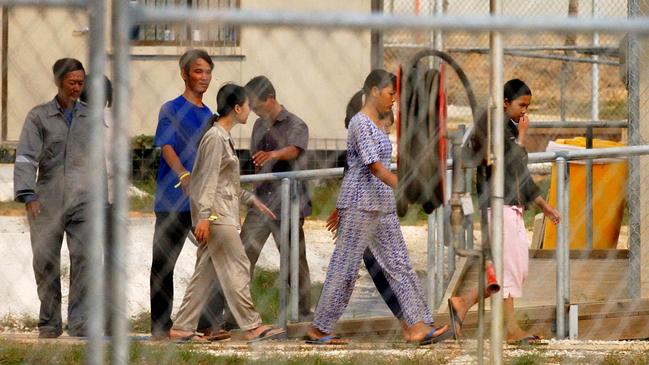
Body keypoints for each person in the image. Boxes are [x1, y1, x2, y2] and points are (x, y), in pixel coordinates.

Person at [306, 69, 452, 345]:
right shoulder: (360, 123)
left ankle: (419, 324)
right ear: (374, 91)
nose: (393, 99)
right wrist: (405, 187)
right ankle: (319, 328)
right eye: (389, 93)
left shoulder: (379, 124)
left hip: (382, 205)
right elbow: (374, 166)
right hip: (359, 204)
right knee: (345, 269)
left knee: (400, 265)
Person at [448, 79, 561, 345]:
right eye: (521, 105)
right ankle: (511, 330)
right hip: (498, 205)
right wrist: (522, 138)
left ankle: (462, 303)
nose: (525, 111)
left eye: (528, 106)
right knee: (510, 269)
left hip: (511, 206)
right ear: (507, 103)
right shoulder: (496, 128)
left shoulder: (507, 128)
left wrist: (545, 208)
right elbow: (511, 163)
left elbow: (522, 176)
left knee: (511, 270)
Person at [169, 84, 286, 342]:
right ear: (236, 108)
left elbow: (226, 183)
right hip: (216, 217)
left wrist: (250, 200)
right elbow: (207, 180)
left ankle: (181, 328)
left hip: (219, 213)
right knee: (238, 264)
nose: (249, 111)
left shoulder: (222, 137)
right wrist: (204, 218)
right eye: (246, 106)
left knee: (205, 274)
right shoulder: (215, 137)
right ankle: (252, 326)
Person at [14, 58, 102, 338]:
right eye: (72, 82)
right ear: (58, 82)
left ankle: (79, 323)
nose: (77, 87)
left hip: (84, 201)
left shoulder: (91, 117)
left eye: (81, 82)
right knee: (46, 262)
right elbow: (27, 157)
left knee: (85, 260)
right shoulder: (38, 117)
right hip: (46, 201)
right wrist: (28, 194)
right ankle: (49, 324)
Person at [149, 49, 223, 340]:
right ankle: (160, 327)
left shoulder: (210, 116)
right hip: (171, 200)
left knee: (213, 258)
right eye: (198, 71)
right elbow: (167, 147)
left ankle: (206, 323)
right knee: (163, 263)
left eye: (208, 72)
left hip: (202, 204)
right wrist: (183, 174)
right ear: (184, 73)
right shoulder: (170, 109)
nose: (204, 77)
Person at [326, 90, 404, 322]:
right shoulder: (363, 134)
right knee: (359, 270)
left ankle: (407, 321)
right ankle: (323, 324)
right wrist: (342, 209)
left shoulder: (373, 136)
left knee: (375, 269)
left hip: (371, 210)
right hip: (363, 211)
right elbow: (356, 175)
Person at [240, 75, 313, 320]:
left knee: (294, 260)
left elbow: (294, 149)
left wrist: (272, 155)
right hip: (261, 201)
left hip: (288, 204)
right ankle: (235, 313)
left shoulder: (296, 124)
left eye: (258, 107)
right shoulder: (258, 126)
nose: (256, 113)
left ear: (270, 99)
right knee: (243, 255)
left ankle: (303, 313)